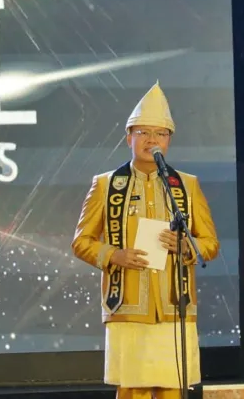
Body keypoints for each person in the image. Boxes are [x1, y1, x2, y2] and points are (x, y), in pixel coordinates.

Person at [71, 82, 220, 399]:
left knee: (172, 389)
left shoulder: (187, 186)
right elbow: (81, 241)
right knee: (133, 390)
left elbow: (209, 243)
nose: (152, 140)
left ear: (168, 141)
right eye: (143, 132)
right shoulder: (106, 185)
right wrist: (114, 255)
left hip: (174, 306)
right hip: (128, 306)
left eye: (160, 134)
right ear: (129, 137)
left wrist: (186, 247)